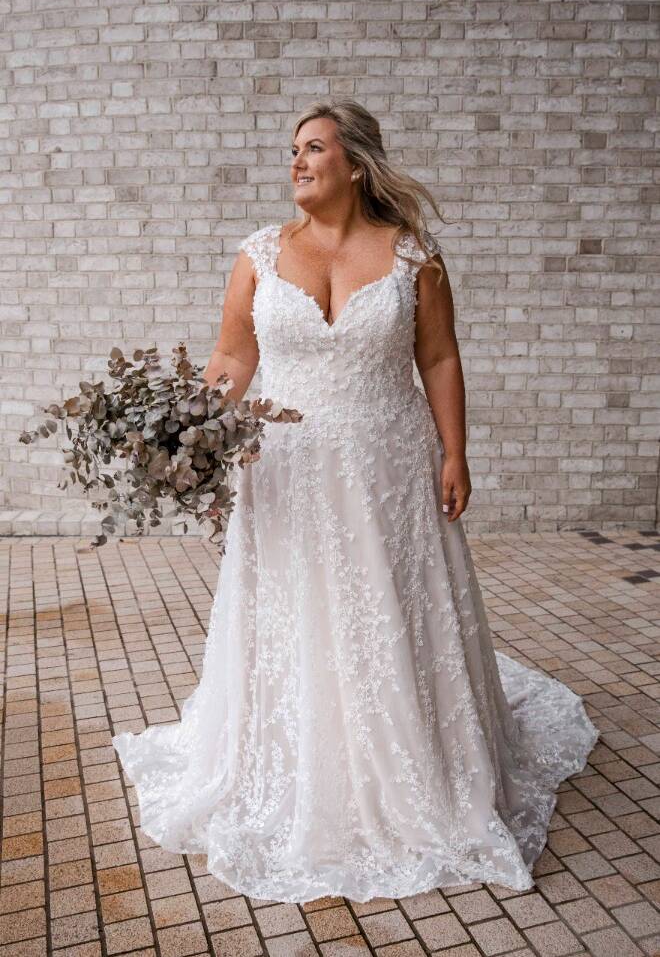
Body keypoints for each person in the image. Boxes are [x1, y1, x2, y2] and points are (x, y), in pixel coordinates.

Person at [112, 98, 599, 904]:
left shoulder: (412, 258)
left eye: (314, 148)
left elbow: (438, 357)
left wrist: (455, 450)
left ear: (356, 164)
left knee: (386, 609)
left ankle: (413, 766)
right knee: (298, 612)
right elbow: (234, 354)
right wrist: (189, 426)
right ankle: (300, 763)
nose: (296, 162)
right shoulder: (260, 255)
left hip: (388, 471)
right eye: (292, 151)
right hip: (286, 470)